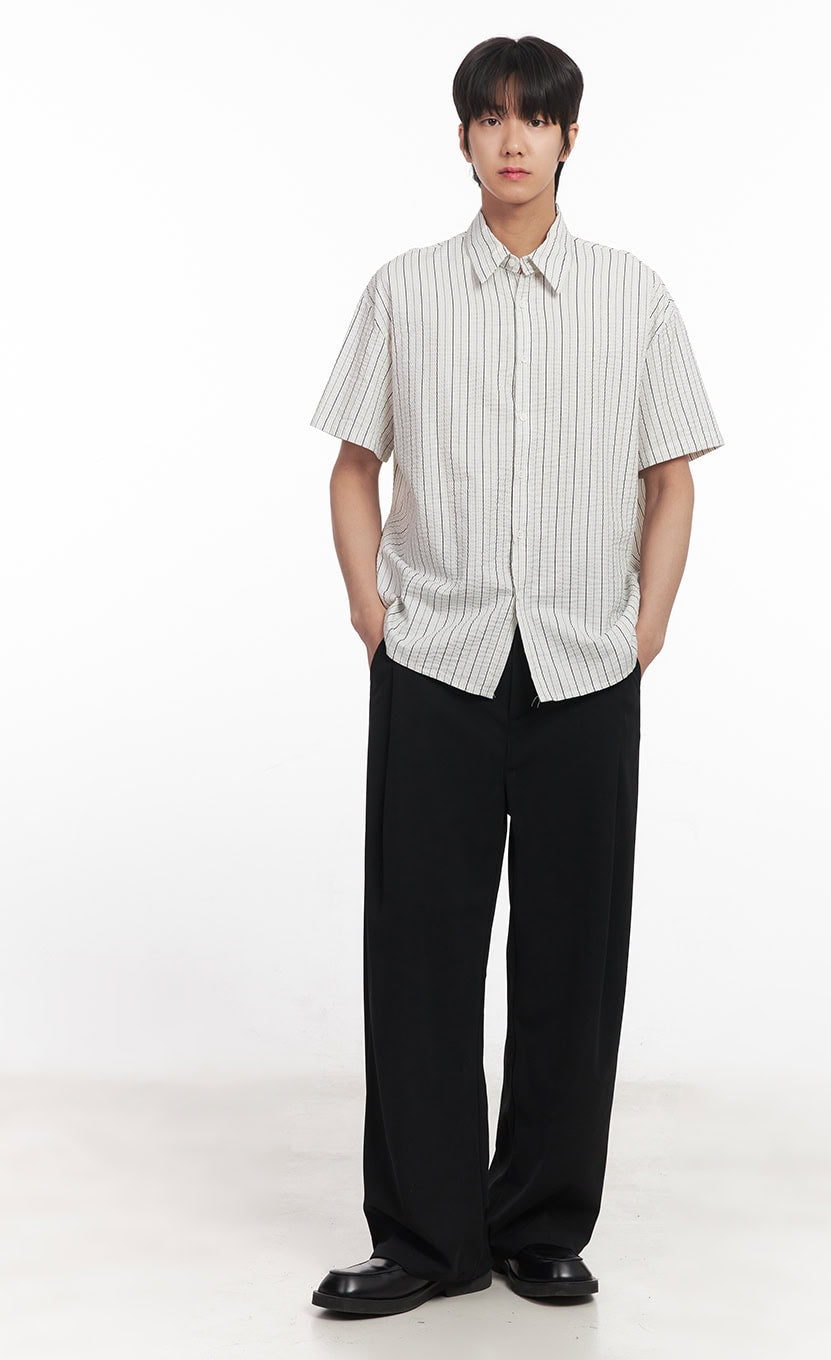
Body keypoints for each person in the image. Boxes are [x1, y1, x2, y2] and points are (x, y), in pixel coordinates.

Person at [307, 34, 724, 1318]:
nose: (511, 140)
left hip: (585, 669)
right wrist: (375, 616)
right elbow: (353, 465)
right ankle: (426, 1236)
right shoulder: (405, 291)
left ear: (568, 138)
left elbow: (671, 479)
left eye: (533, 119)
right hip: (435, 661)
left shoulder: (632, 295)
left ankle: (541, 1224)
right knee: (419, 957)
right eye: (489, 118)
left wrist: (645, 629)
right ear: (462, 138)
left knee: (570, 959)